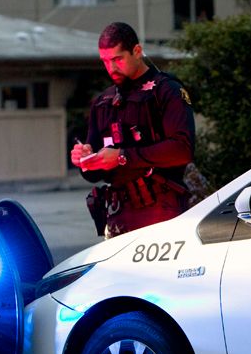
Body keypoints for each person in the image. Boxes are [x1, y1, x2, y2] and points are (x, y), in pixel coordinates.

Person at [71, 22, 195, 237]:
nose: (111, 68)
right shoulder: (103, 103)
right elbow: (95, 172)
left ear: (137, 51)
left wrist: (122, 157)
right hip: (118, 215)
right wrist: (84, 160)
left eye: (118, 59)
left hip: (162, 211)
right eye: (105, 61)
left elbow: (182, 149)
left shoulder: (166, 90)